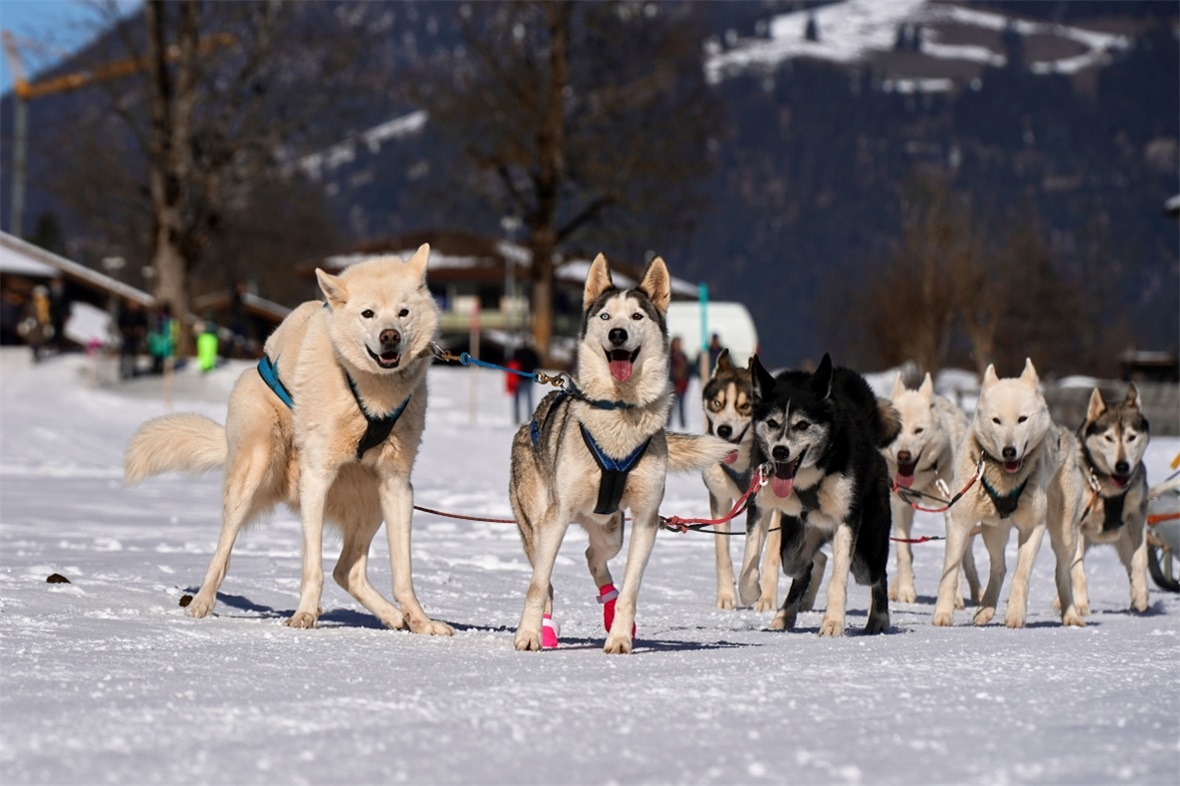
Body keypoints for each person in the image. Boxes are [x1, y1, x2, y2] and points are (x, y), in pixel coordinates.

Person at [18, 285, 52, 362]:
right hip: (33, 326)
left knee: (40, 341)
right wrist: (25, 322)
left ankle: (38, 354)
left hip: (42, 326)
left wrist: (49, 325)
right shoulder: (30, 303)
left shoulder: (47, 304)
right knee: (33, 341)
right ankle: (35, 354)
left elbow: (49, 316)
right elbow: (25, 313)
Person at [511, 338, 540, 424]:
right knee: (529, 398)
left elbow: (513, 363)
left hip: (518, 378)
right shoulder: (532, 352)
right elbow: (537, 363)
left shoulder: (517, 352)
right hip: (528, 378)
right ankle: (529, 416)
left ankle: (517, 417)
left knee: (517, 399)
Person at [117, 300, 148, 379]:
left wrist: (139, 330)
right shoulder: (124, 313)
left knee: (133, 355)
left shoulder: (140, 314)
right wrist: (124, 329)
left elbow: (144, 324)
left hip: (135, 337)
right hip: (126, 337)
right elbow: (120, 323)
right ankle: (123, 371)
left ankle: (133, 370)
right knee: (124, 354)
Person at [668, 336, 691, 428]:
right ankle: (668, 426)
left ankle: (683, 426)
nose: (678, 346)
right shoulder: (669, 356)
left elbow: (688, 371)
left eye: (679, 344)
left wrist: (686, 383)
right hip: (672, 386)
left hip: (682, 386)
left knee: (682, 407)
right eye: (676, 343)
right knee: (670, 407)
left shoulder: (684, 356)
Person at [147, 303, 176, 375]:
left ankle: (160, 368)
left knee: (162, 356)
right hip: (158, 339)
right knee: (157, 356)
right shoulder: (158, 319)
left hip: (162, 340)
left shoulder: (166, 319)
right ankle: (157, 368)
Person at [47, 278, 71, 352]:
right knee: (49, 331)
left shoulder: (65, 293)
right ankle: (50, 344)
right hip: (51, 316)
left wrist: (67, 314)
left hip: (60, 315)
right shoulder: (49, 293)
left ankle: (57, 345)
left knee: (59, 331)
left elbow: (67, 304)